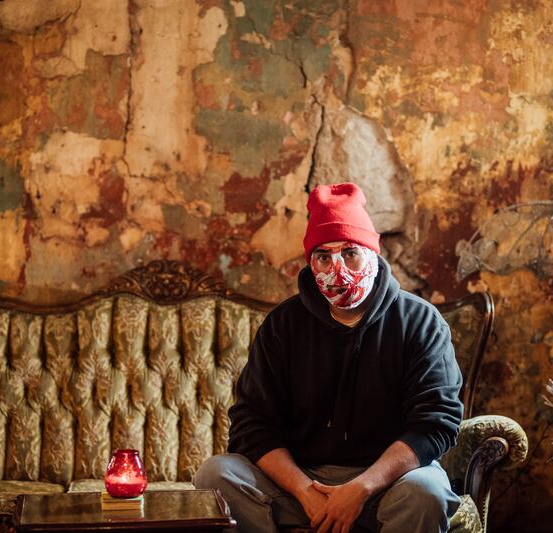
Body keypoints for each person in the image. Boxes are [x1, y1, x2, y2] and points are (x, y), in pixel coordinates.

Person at [194, 183, 463, 533]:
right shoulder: (283, 324)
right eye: (324, 257)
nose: (337, 270)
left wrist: (360, 489)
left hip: (389, 482)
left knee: (428, 492)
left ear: (372, 254)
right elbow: (251, 424)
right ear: (311, 262)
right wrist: (306, 492)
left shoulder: (421, 322)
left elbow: (436, 423)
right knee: (215, 475)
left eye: (350, 253)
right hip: (298, 483)